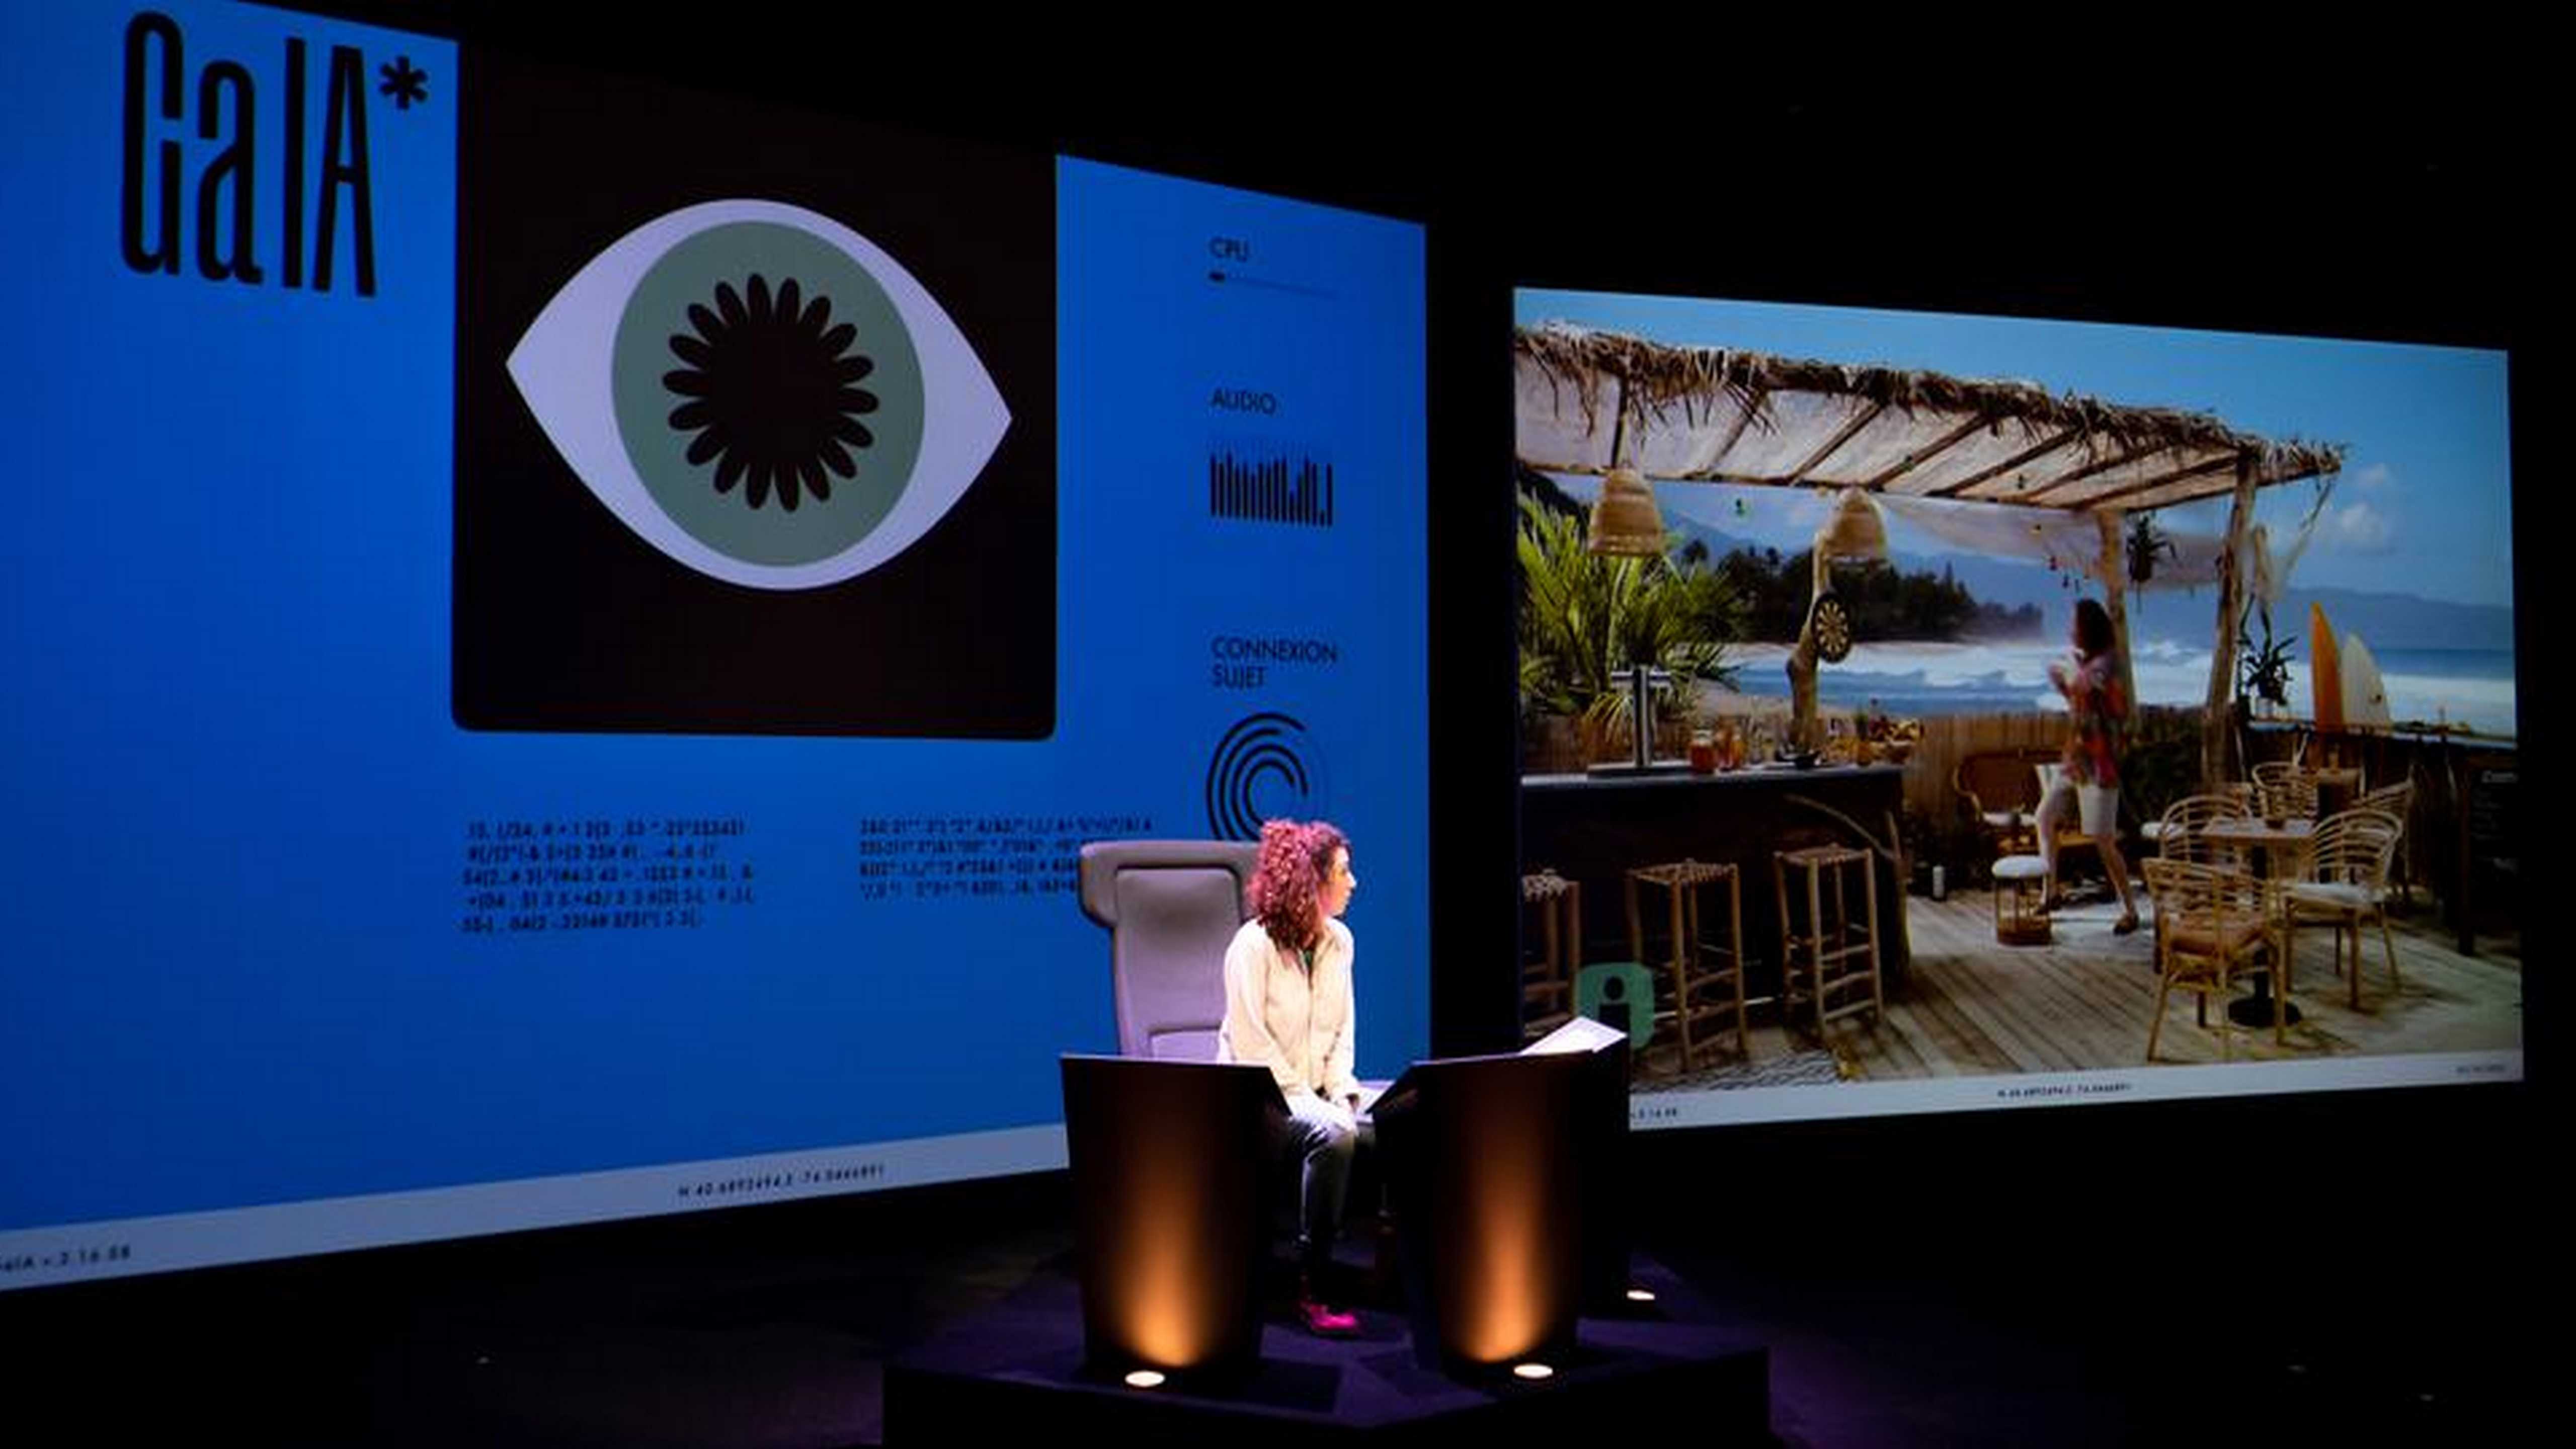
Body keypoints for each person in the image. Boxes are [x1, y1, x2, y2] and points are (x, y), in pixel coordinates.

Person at [1220, 818, 1368, 1336]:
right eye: (1343, 873)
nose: (1353, 884)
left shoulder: (1340, 942)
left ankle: (1408, 1273)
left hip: (1313, 1091)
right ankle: (1312, 1278)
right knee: (1335, 1133)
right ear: (1312, 882)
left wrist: (1344, 1090)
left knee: (1405, 1108)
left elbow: (1341, 1031)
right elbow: (1251, 1048)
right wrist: (1319, 1104)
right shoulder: (1251, 946)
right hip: (1257, 1096)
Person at [2039, 598, 2140, 935]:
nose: (2070, 630)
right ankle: (2050, 891)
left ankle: (2131, 909)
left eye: (2075, 624)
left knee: (2102, 839)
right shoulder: (2087, 662)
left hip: (2101, 763)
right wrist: (2060, 677)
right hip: (2077, 759)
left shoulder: (2109, 663)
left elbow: (2084, 685)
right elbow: (2076, 696)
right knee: (2045, 816)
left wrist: (2068, 670)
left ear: (2089, 629)